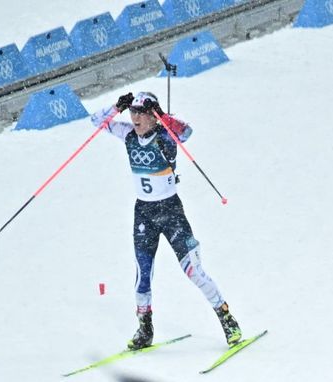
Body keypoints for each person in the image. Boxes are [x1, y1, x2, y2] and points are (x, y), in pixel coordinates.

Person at [91, 91, 242, 350]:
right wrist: (117, 107)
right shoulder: (128, 134)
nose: (135, 118)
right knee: (142, 276)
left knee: (193, 270)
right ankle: (145, 329)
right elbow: (96, 121)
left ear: (152, 116)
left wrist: (161, 113)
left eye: (141, 113)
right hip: (144, 214)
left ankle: (227, 319)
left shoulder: (166, 135)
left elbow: (186, 132)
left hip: (171, 212)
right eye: (133, 112)